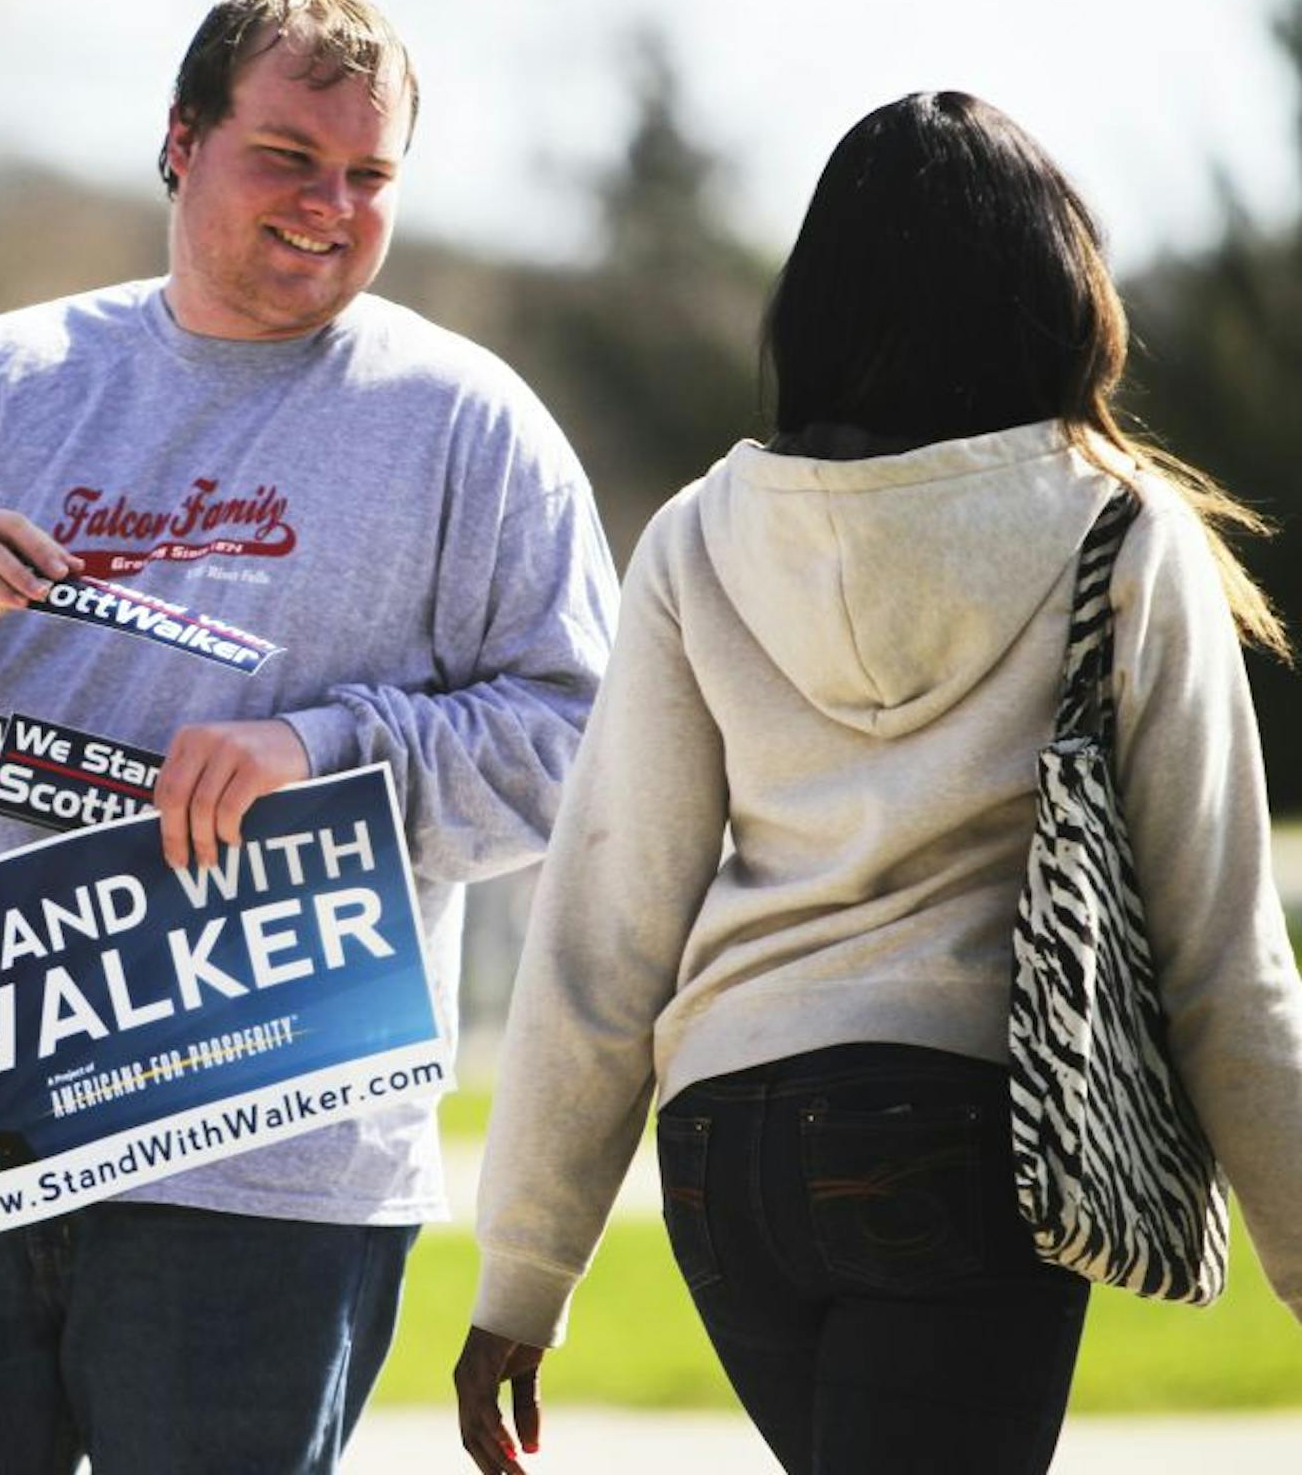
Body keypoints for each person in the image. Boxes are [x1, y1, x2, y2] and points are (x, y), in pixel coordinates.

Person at [0, 0, 619, 1475]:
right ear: (181, 142)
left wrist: (331, 748)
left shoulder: (469, 427)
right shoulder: (0, 381)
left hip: (269, 1181)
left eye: (371, 176)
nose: (329, 206)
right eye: (288, 158)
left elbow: (580, 752)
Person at [454, 91, 1302, 1475]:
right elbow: (1222, 952)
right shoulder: (1118, 527)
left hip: (730, 1164)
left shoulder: (697, 537)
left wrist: (522, 1277)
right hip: (968, 1135)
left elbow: (604, 934)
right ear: (1059, 292)